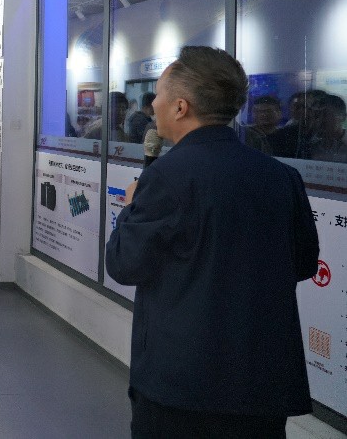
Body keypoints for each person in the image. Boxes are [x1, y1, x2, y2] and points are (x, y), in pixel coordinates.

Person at [105, 46, 319, 438]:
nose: (152, 106)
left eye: (158, 95)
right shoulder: (282, 177)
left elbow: (124, 264)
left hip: (182, 385)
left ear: (180, 107)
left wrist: (130, 208)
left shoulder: (165, 177)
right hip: (262, 383)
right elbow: (303, 263)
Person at [305, 93, 347, 163]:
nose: (320, 119)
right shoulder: (311, 146)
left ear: (343, 117)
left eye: (325, 114)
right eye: (318, 115)